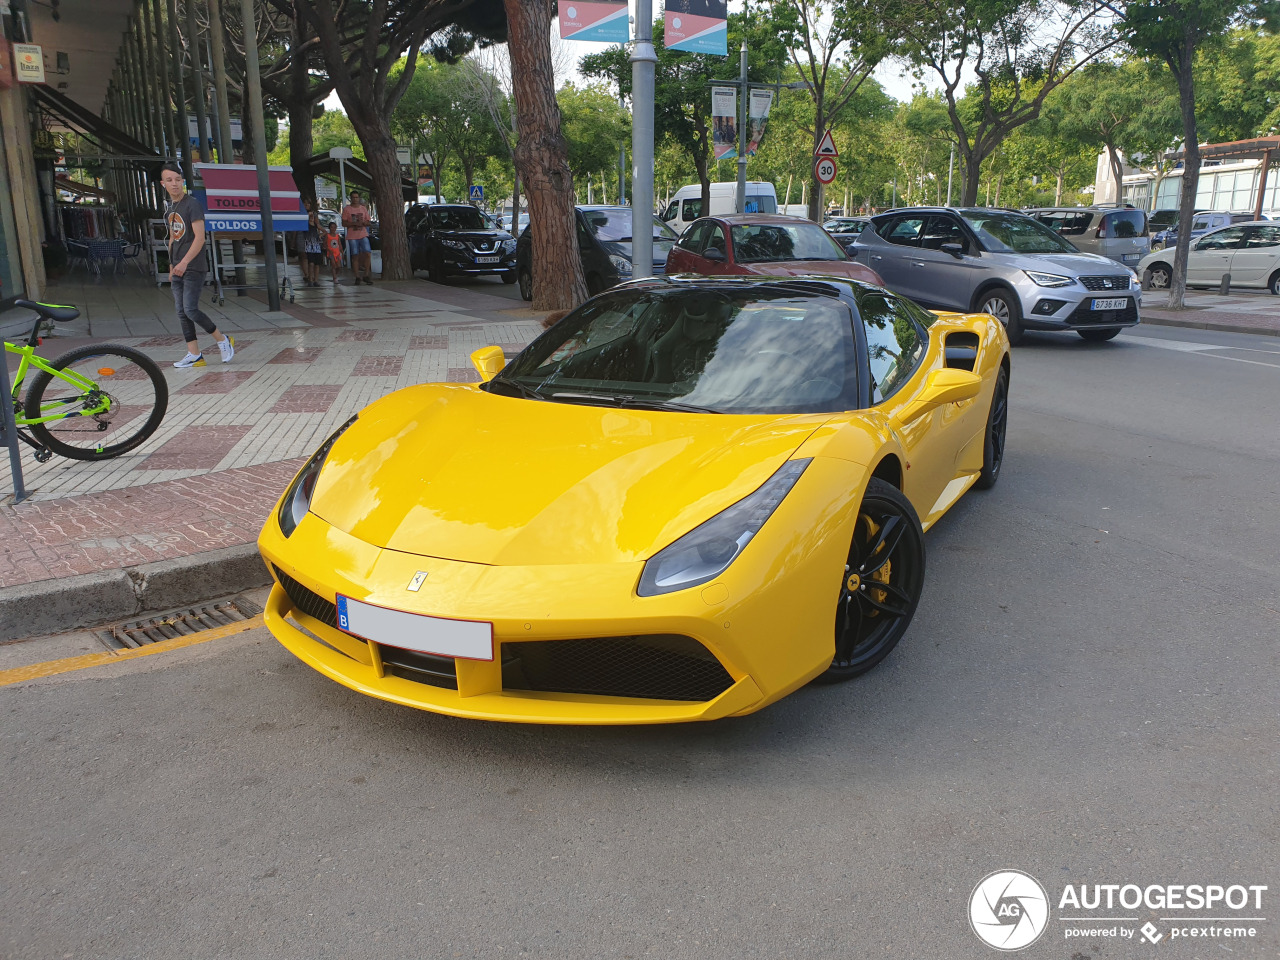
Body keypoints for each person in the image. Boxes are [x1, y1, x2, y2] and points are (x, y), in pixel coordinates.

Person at [159, 162, 234, 368]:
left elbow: (200, 238)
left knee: (190, 309)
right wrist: (172, 266)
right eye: (169, 180)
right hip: (178, 267)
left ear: (182, 181)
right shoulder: (171, 208)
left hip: (193, 266)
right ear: (163, 184)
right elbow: (174, 238)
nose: (174, 184)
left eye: (177, 180)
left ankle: (222, 339)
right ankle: (194, 354)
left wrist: (183, 263)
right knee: (181, 312)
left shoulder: (192, 204)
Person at [341, 190, 373, 284]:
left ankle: (366, 274)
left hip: (363, 234)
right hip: (352, 235)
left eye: (357, 197)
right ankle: (357, 276)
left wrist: (364, 223)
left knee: (367, 253)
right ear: (351, 199)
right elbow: (344, 223)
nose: (355, 199)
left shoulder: (363, 208)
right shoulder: (347, 209)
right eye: (354, 197)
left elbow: (368, 222)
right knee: (355, 255)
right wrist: (353, 223)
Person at [300, 201, 324, 287]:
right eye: (310, 217)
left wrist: (321, 235)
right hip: (309, 246)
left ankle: (316, 280)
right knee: (311, 263)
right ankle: (310, 278)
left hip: (316, 246)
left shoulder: (317, 225)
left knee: (317, 264)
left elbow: (324, 231)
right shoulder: (306, 225)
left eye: (312, 217)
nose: (311, 218)